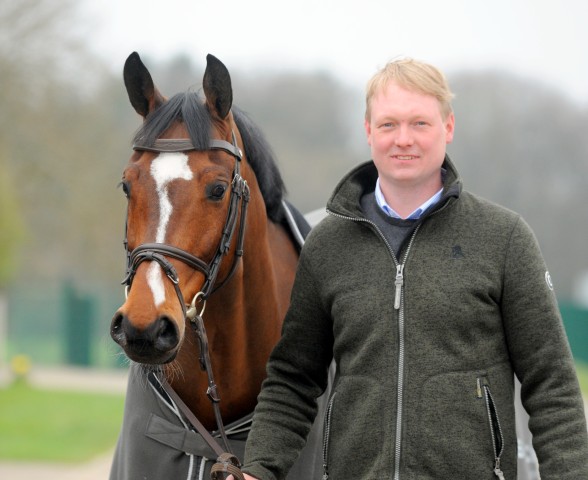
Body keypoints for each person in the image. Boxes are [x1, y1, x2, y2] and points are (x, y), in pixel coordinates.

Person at [233, 58, 588, 479]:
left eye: (420, 123)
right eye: (388, 125)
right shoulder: (327, 244)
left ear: (448, 127)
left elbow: (553, 387)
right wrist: (257, 469)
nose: (403, 139)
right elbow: (293, 380)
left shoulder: (504, 238)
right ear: (368, 131)